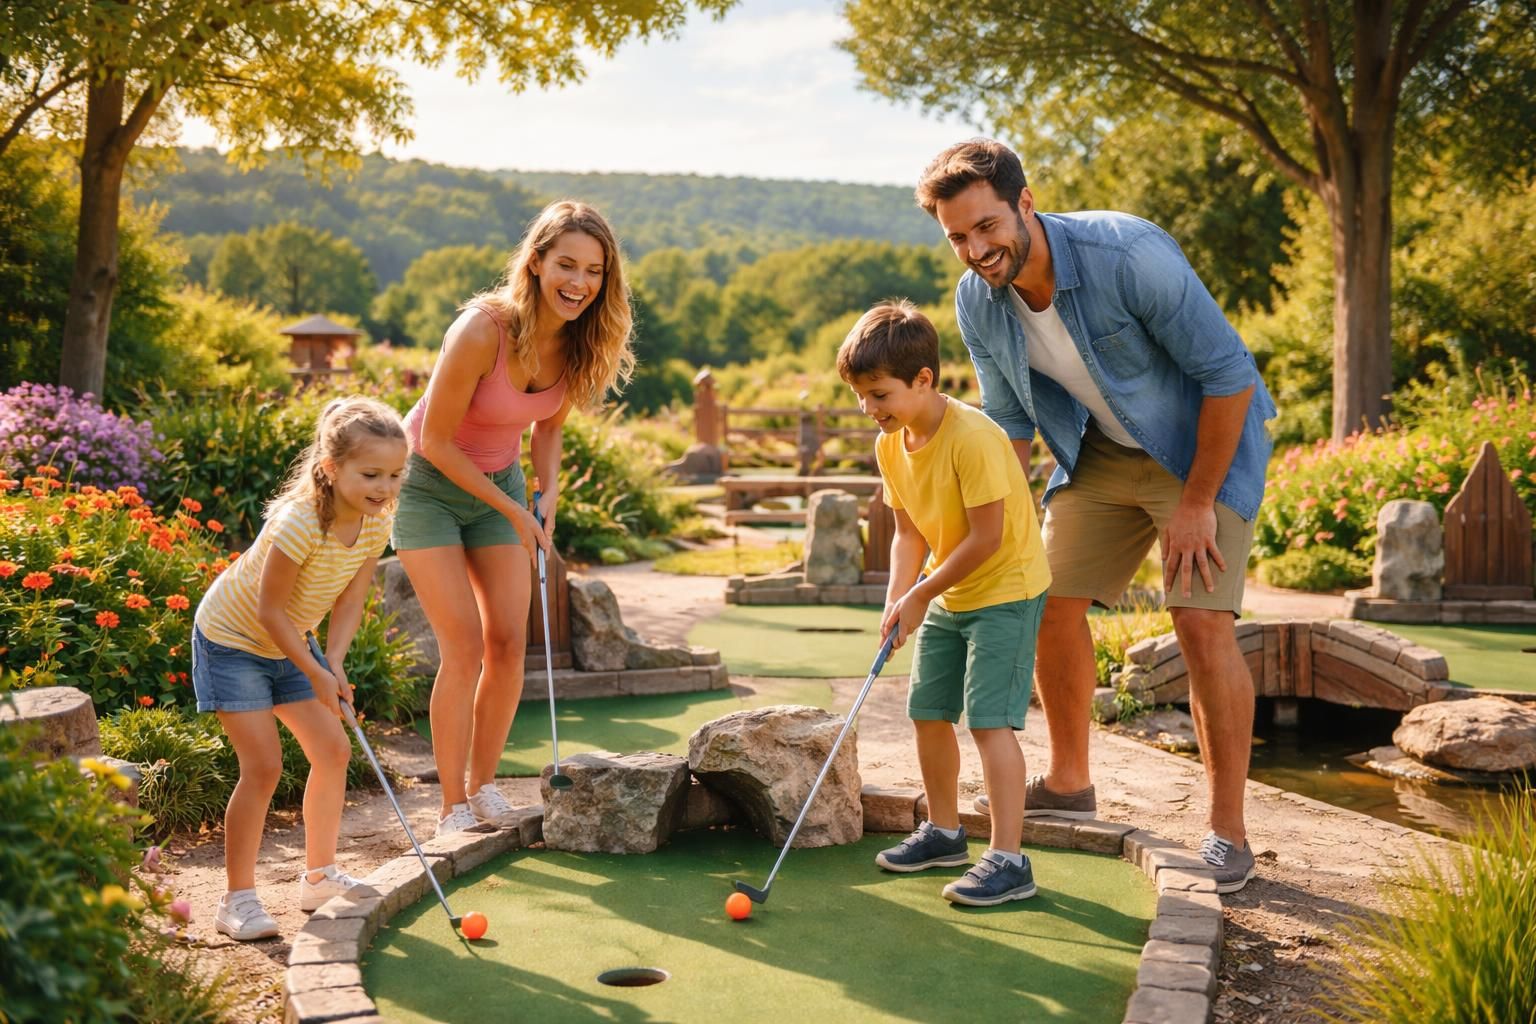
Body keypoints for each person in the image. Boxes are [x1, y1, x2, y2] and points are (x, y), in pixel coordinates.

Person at [917, 139, 1276, 893]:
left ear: (1025, 202)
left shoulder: (1128, 255)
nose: (976, 251)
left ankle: (1227, 833)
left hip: (1204, 446)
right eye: (957, 238)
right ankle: (1070, 781)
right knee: (1048, 599)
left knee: (1199, 620)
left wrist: (1197, 504)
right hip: (1101, 453)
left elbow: (1229, 374)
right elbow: (1008, 422)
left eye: (987, 226)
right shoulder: (977, 299)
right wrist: (991, 525)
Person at [394, 200, 635, 837]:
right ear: (535, 262)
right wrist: (513, 509)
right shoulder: (482, 331)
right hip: (428, 487)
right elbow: (435, 441)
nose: (579, 283)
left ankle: (483, 787)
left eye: (594, 271)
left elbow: (548, 427)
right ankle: (450, 807)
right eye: (566, 265)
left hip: (498, 482)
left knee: (507, 644)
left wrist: (547, 492)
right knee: (464, 646)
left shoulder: (581, 340)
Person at [839, 300, 1052, 906]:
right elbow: (909, 535)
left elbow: (987, 539)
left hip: (1007, 588)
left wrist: (920, 593)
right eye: (861, 396)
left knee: (988, 722)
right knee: (928, 711)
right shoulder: (891, 444)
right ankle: (944, 832)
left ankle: (1009, 859)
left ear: (924, 379)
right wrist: (897, 602)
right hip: (947, 589)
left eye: (879, 394)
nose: (869, 408)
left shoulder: (974, 438)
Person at [193, 396, 408, 940]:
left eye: (394, 474)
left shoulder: (375, 524)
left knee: (333, 750)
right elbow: (268, 611)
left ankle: (318, 878)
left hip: (291, 640)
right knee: (264, 767)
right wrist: (314, 672)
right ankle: (237, 900)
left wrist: (332, 661)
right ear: (331, 468)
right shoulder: (299, 522)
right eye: (370, 474)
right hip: (233, 641)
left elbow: (351, 599)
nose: (383, 487)